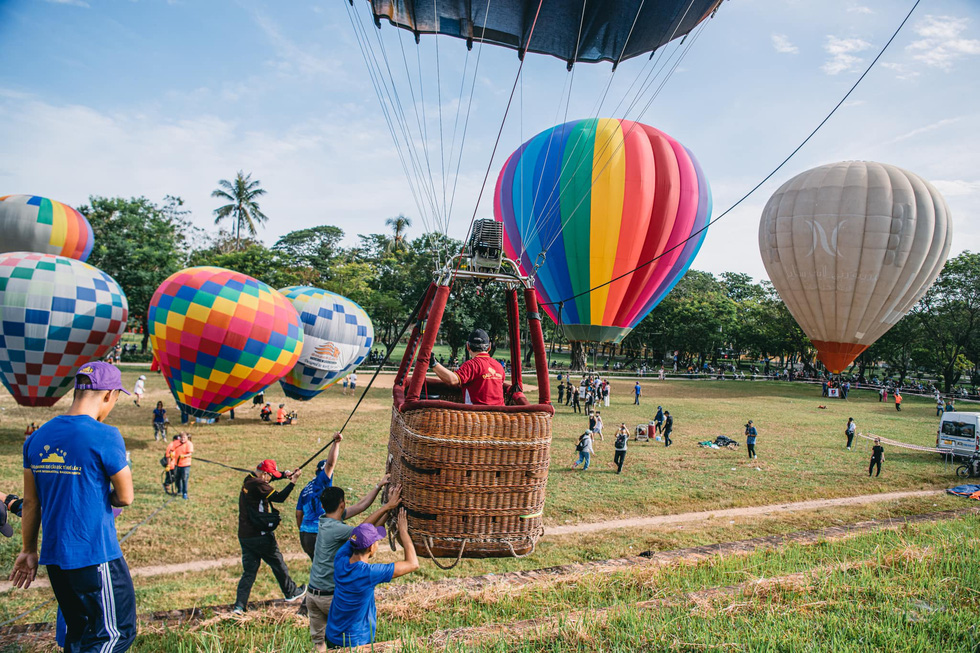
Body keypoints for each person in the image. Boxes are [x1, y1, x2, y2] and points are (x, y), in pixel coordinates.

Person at [11, 362, 137, 651]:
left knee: (79, 632)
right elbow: (126, 496)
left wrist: (29, 549)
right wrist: (110, 499)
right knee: (113, 635)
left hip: (55, 559)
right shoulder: (106, 435)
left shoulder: (37, 438)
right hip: (96, 556)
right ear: (109, 396)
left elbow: (31, 503)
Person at [307, 482, 401, 652]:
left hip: (313, 594)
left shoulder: (324, 520)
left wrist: (379, 487)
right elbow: (362, 532)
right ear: (342, 504)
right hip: (329, 596)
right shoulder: (337, 529)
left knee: (320, 644)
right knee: (350, 640)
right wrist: (388, 506)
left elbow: (361, 506)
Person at [324, 508, 419, 648]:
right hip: (355, 643)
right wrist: (403, 531)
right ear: (371, 547)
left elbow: (359, 533)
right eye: (377, 540)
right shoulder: (368, 573)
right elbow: (413, 564)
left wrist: (387, 510)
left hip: (333, 636)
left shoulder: (340, 558)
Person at [233, 460, 306, 613]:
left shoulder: (249, 479)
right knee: (277, 562)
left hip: (245, 535)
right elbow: (279, 497)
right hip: (260, 535)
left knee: (249, 572)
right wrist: (293, 481)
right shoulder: (259, 484)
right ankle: (291, 592)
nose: (271, 478)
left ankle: (239, 606)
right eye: (270, 476)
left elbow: (271, 477)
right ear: (264, 474)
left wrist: (283, 475)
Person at [296, 434, 344, 560]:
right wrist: (336, 444)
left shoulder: (306, 489)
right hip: (319, 534)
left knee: (318, 571)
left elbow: (298, 514)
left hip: (305, 535)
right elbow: (330, 464)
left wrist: (303, 530)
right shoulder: (322, 482)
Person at [431, 329, 504, 405]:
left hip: (478, 414)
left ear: (468, 346)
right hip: (500, 413)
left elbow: (452, 380)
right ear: (489, 347)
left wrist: (434, 364)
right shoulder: (499, 366)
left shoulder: (471, 365)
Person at [171, 432, 193, 499]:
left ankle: (185, 493)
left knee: (184, 478)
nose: (182, 439)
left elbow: (190, 453)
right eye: (181, 437)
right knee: (177, 478)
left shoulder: (189, 444)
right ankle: (179, 490)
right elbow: (171, 449)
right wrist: (172, 453)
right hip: (177, 464)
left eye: (184, 438)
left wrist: (184, 456)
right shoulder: (176, 443)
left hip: (186, 464)